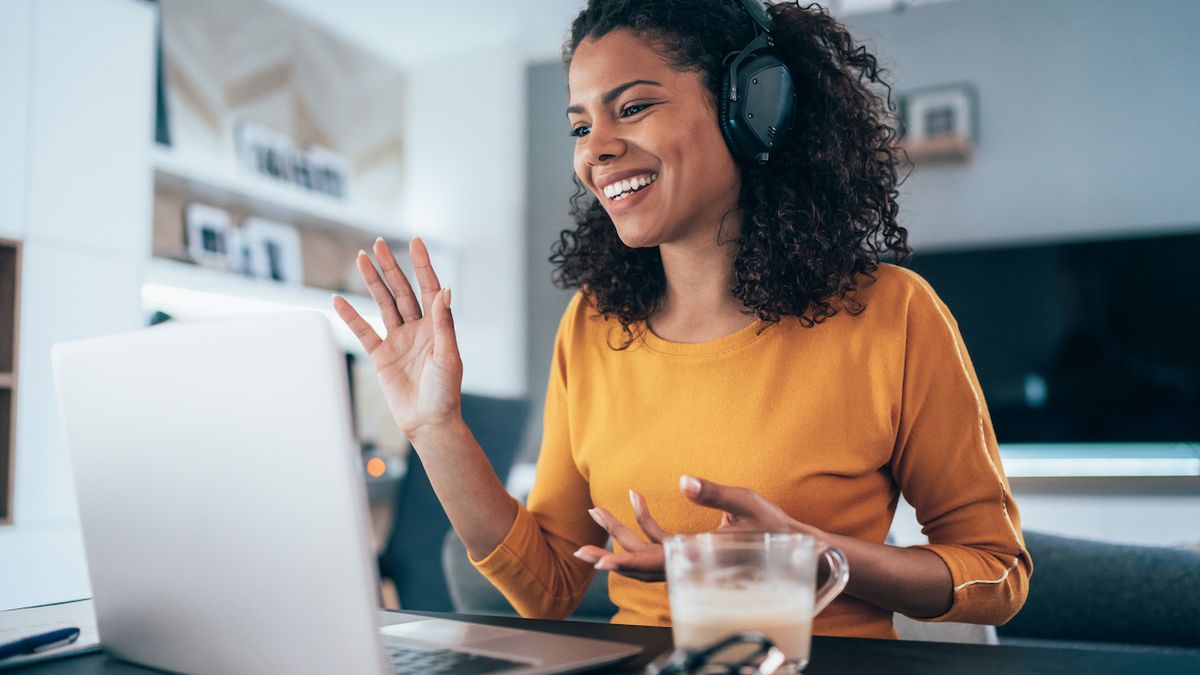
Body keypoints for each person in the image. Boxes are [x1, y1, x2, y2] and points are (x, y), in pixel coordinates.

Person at [332, 0, 1031, 640]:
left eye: (631, 107)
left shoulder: (893, 313)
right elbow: (547, 588)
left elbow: (998, 573)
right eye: (580, 124)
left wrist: (811, 555)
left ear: (752, 107)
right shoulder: (592, 326)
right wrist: (436, 428)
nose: (593, 149)